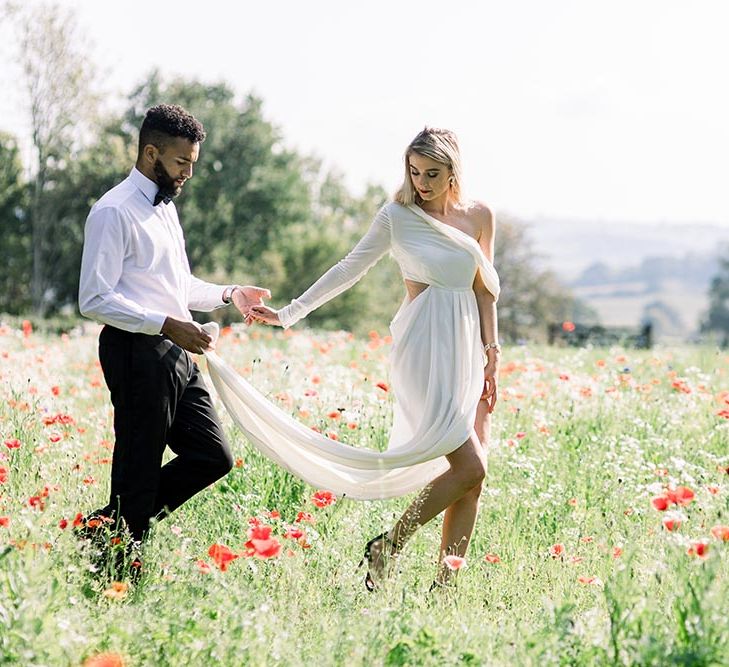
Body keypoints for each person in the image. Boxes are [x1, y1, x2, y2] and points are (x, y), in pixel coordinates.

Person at [244, 127, 500, 591]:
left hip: (467, 350)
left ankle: (445, 591)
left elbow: (486, 290)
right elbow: (348, 268)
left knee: (472, 478)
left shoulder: (480, 216)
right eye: (415, 171)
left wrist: (492, 355)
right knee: (471, 465)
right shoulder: (398, 216)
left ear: (453, 172)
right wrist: (287, 314)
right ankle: (389, 545)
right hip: (424, 348)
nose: (421, 182)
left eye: (432, 174)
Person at [78, 104, 269, 574]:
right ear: (151, 152)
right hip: (134, 349)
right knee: (137, 466)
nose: (187, 173)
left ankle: (101, 530)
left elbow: (178, 285)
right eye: (182, 162)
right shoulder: (112, 211)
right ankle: (117, 570)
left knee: (212, 456)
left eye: (192, 164)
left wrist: (229, 294)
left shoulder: (165, 209)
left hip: (175, 350)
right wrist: (166, 323)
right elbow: (93, 299)